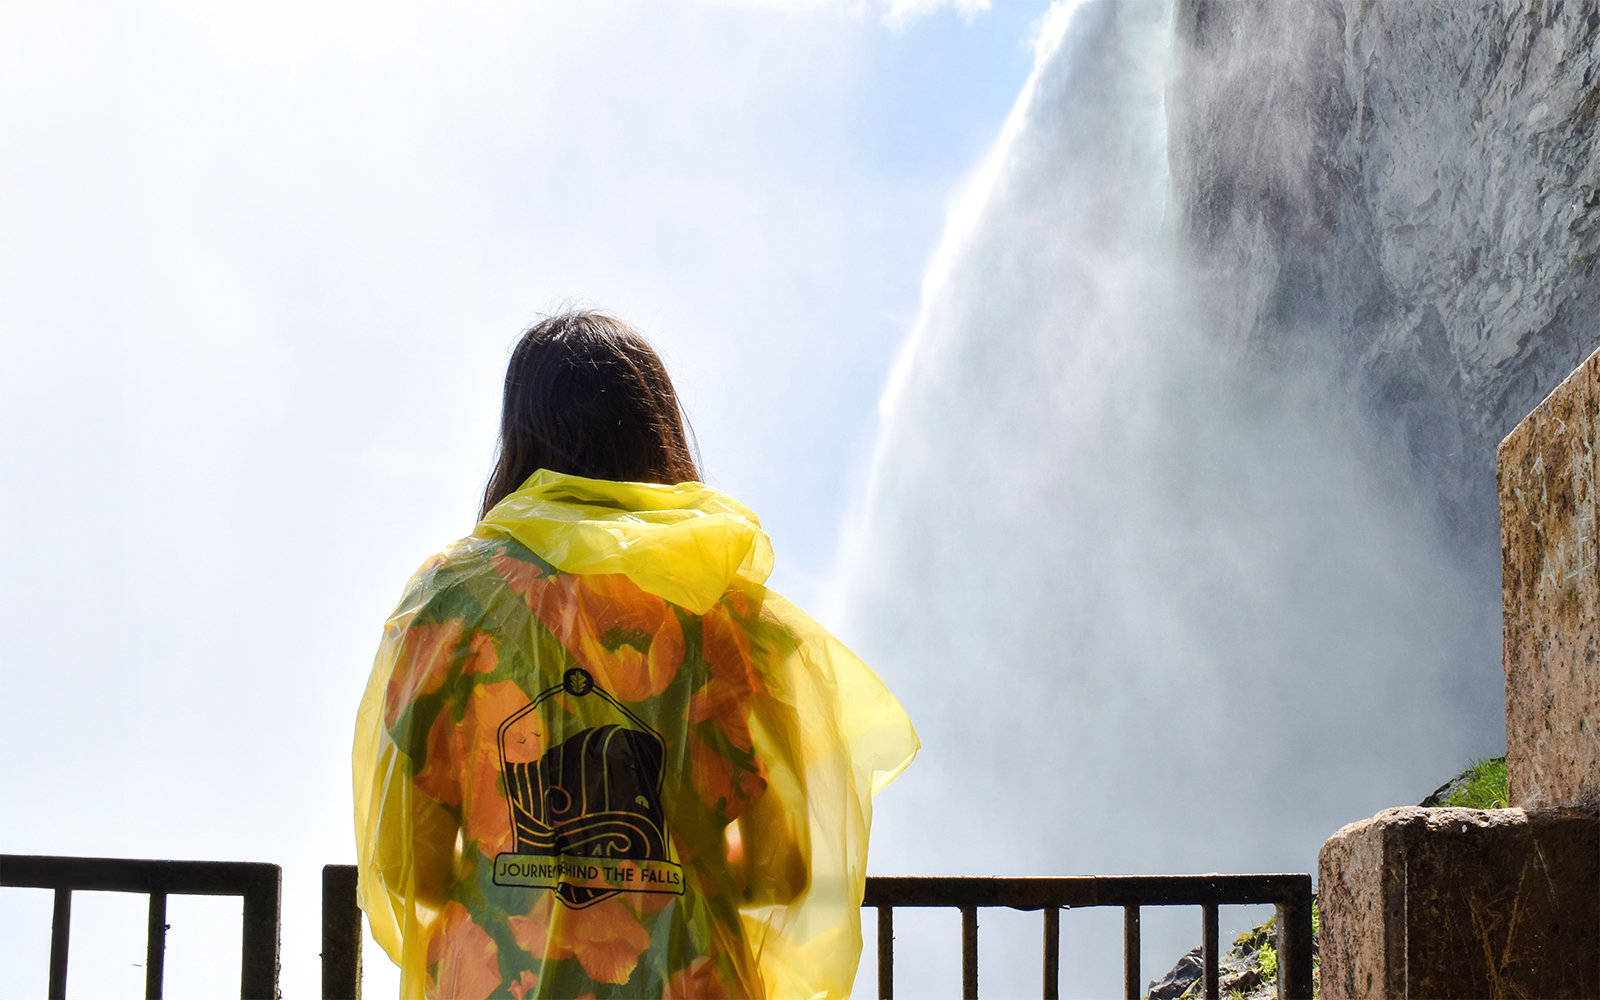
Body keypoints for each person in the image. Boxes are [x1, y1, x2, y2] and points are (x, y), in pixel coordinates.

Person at [354, 311, 918, 999]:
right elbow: (782, 873)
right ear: (659, 434)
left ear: (518, 439)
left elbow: (411, 869)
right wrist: (671, 861)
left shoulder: (451, 604)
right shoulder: (728, 611)